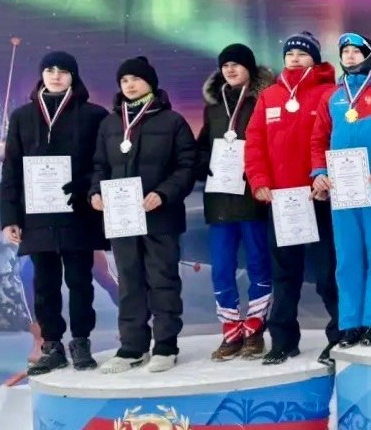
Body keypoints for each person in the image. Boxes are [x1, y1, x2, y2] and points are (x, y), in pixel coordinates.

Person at [0, 51, 108, 375]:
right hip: (37, 215)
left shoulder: (94, 115)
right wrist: (9, 217)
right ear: (41, 75)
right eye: (50, 70)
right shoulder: (22, 116)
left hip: (77, 213)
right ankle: (52, 345)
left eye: (63, 71)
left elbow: (102, 165)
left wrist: (86, 185)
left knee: (80, 281)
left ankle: (81, 342)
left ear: (73, 76)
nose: (56, 75)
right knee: (45, 285)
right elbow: (11, 172)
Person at [90, 57, 197, 373]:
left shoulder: (172, 121)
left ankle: (165, 345)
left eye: (136, 79)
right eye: (124, 80)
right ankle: (132, 347)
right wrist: (95, 192)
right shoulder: (110, 124)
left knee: (162, 279)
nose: (130, 85)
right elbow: (98, 165)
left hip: (160, 217)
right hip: (122, 219)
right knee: (129, 281)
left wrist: (163, 193)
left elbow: (187, 166)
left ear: (151, 82)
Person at [244, 32, 341, 365]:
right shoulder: (269, 96)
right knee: (284, 273)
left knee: (328, 271)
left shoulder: (330, 93)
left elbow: (335, 140)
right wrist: (259, 181)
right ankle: (283, 340)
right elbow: (254, 142)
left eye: (303, 53)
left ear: (315, 57)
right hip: (282, 200)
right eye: (290, 53)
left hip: (319, 195)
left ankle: (339, 336)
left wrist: (326, 179)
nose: (296, 58)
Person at [311, 33, 371, 348]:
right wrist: (320, 174)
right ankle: (350, 322)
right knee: (348, 256)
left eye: (356, 51)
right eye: (346, 52)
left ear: (369, 55)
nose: (350, 56)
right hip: (342, 189)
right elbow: (318, 140)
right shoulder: (332, 97)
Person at [195, 44, 274, 361]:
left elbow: (270, 143)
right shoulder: (213, 106)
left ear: (250, 69)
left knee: (257, 262)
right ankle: (230, 332)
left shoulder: (264, 101)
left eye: (236, 65)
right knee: (222, 268)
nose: (230, 69)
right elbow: (203, 146)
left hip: (251, 195)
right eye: (225, 65)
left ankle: (255, 330)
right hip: (219, 199)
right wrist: (204, 165)